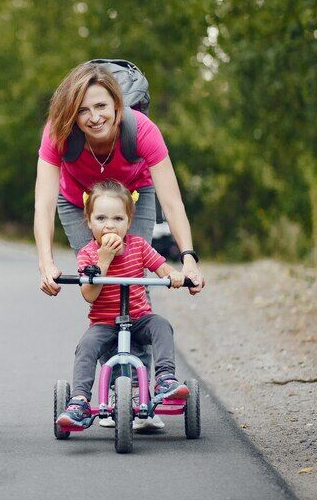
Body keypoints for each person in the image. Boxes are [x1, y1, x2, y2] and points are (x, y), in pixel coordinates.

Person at [34, 62, 205, 293]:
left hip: (134, 195)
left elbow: (172, 203)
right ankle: (104, 328)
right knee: (96, 278)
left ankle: (140, 325)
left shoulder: (142, 130)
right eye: (82, 110)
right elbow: (44, 204)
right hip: (78, 200)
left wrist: (188, 259)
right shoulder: (58, 132)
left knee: (133, 278)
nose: (94, 117)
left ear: (117, 104)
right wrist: (46, 264)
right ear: (73, 114)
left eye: (101, 105)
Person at [55, 181, 193, 430]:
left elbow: (161, 267)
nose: (109, 225)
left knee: (162, 325)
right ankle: (80, 400)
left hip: (139, 318)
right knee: (86, 346)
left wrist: (172, 274)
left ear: (129, 222)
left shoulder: (138, 246)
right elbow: (89, 294)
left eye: (118, 218)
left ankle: (165, 378)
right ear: (88, 221)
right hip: (104, 323)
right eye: (101, 218)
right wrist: (103, 260)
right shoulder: (88, 254)